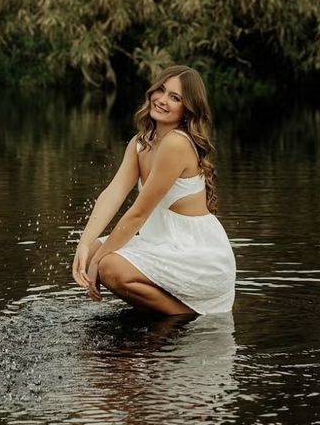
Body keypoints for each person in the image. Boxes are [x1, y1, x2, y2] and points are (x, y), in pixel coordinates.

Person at [72, 66, 236, 316]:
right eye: (161, 90)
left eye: (175, 97)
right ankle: (161, 312)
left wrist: (97, 260)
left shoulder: (176, 144)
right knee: (95, 250)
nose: (162, 100)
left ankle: (184, 317)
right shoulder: (141, 143)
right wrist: (84, 246)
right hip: (164, 244)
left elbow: (138, 214)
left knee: (109, 266)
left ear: (187, 109)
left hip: (198, 256)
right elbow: (112, 194)